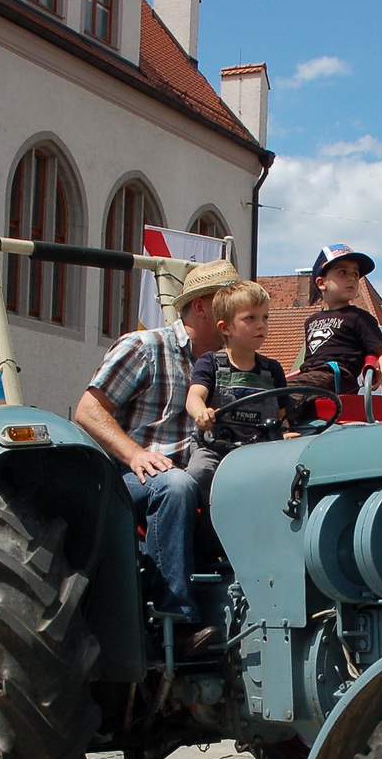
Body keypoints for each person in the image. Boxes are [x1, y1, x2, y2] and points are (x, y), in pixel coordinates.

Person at [73, 259, 239, 654]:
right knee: (175, 486)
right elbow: (88, 411)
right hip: (134, 480)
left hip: (201, 475)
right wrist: (134, 454)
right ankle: (175, 622)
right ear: (200, 306)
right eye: (228, 304)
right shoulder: (146, 347)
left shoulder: (230, 364)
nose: (236, 316)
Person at [184, 280, 293, 497]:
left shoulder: (272, 369)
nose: (261, 325)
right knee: (200, 471)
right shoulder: (211, 363)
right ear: (226, 328)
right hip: (216, 448)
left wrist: (286, 433)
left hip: (260, 451)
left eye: (265, 317)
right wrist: (201, 412)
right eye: (250, 318)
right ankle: (206, 515)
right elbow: (194, 396)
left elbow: (282, 415)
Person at [290, 245, 382, 399]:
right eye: (342, 272)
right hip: (310, 376)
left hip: (337, 376)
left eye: (355, 274)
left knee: (283, 393)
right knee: (272, 390)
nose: (352, 278)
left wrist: (379, 375)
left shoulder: (359, 317)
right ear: (321, 283)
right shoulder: (311, 321)